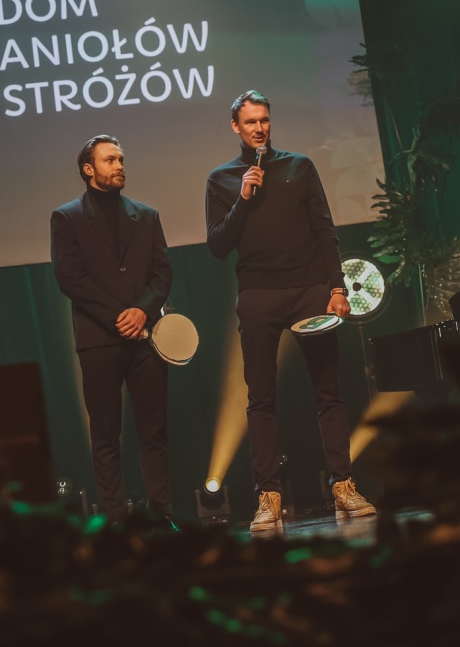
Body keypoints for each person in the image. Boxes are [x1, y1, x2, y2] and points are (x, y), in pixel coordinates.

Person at [206, 89, 375, 532]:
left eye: (264, 120)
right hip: (259, 295)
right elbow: (218, 245)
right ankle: (269, 497)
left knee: (328, 391)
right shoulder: (222, 179)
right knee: (260, 399)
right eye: (250, 122)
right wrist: (243, 199)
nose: (259, 128)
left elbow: (323, 227)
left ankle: (344, 485)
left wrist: (336, 287)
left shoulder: (300, 166)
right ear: (235, 127)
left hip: (308, 290)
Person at [51, 135, 173, 523]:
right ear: (88, 169)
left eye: (120, 159)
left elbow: (162, 272)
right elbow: (70, 278)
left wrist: (142, 311)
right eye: (109, 160)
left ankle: (160, 515)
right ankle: (116, 522)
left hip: (145, 338)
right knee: (105, 435)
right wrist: (121, 316)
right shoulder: (67, 217)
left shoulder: (146, 215)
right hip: (99, 339)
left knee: (154, 431)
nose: (119, 165)